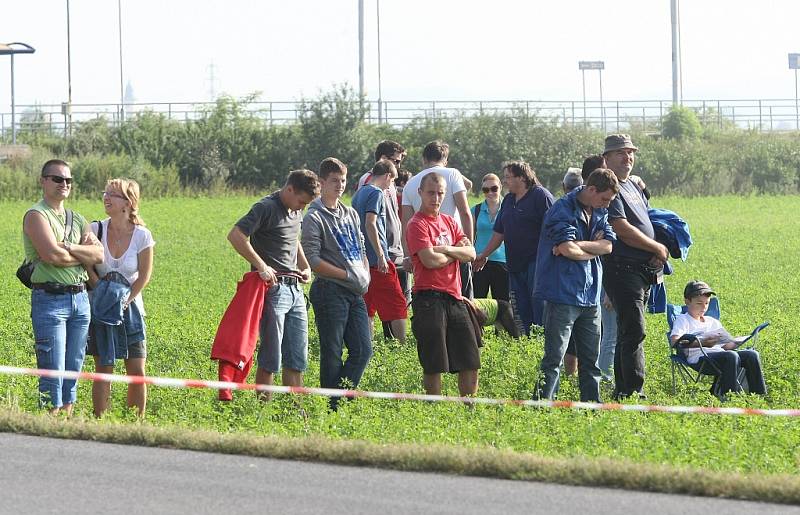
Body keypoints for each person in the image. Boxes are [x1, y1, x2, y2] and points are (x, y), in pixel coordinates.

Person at [227, 169, 318, 400]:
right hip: (273, 290)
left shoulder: (295, 211)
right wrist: (261, 266)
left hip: (296, 290)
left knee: (297, 357)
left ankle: (293, 410)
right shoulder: (265, 207)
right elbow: (236, 235)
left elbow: (293, 238)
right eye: (301, 201)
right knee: (271, 356)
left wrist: (305, 266)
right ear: (289, 189)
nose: (302, 207)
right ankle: (263, 411)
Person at [22, 159, 103, 414]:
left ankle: (65, 425)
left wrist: (68, 247)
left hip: (80, 301)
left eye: (68, 180)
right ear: (43, 181)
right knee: (52, 368)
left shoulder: (77, 218)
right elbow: (51, 256)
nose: (64, 184)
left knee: (73, 368)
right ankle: (48, 424)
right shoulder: (36, 216)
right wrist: (81, 253)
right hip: (50, 300)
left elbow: (99, 256)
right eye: (57, 179)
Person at [534, 169, 619, 402]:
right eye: (604, 199)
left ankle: (591, 405)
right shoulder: (561, 210)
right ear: (591, 189)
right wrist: (592, 247)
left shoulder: (600, 210)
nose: (606, 205)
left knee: (591, 360)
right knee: (554, 358)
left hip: (591, 294)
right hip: (562, 292)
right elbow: (567, 250)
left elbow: (608, 246)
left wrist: (582, 247)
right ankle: (542, 405)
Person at [601, 134, 669, 400]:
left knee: (629, 330)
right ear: (606, 158)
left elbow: (647, 221)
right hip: (622, 268)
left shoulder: (633, 185)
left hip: (643, 268)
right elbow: (622, 229)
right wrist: (654, 248)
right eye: (620, 153)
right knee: (634, 329)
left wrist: (657, 250)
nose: (627, 157)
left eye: (630, 152)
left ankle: (622, 389)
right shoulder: (611, 186)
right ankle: (632, 391)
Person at [302, 158, 372, 409]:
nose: (340, 185)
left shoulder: (351, 213)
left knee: (363, 350)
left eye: (343, 180)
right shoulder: (314, 218)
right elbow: (312, 260)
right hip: (330, 290)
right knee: (332, 352)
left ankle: (339, 400)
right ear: (321, 183)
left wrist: (364, 272)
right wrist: (346, 275)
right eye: (334, 181)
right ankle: (333, 408)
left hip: (355, 292)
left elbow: (362, 247)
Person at [406, 173, 480, 396]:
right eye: (430, 193)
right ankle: (435, 410)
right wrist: (456, 253)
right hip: (428, 299)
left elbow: (471, 252)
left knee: (470, 359)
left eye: (440, 193)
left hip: (456, 297)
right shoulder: (416, 224)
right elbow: (429, 261)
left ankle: (469, 410)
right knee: (434, 361)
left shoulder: (449, 221)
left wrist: (445, 250)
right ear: (420, 193)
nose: (435, 198)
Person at [86, 178, 155, 417]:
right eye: (105, 193)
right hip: (101, 309)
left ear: (128, 202)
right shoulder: (95, 230)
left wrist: (124, 302)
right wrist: (102, 292)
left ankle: (134, 424)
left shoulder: (142, 235)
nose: (106, 197)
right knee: (103, 368)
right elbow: (87, 266)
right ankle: (100, 421)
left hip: (132, 310)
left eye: (113, 194)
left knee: (136, 370)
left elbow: (144, 276)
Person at [474, 161, 554, 335]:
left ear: (522, 177)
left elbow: (553, 229)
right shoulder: (509, 200)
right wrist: (484, 255)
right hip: (514, 264)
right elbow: (499, 232)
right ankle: (525, 342)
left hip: (537, 263)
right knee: (520, 307)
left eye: (508, 177)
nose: (505, 181)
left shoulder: (541, 196)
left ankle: (541, 341)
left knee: (538, 306)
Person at [401, 140, 475, 299]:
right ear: (445, 160)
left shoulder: (410, 184)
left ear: (423, 159)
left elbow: (405, 223)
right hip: (454, 246)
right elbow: (465, 212)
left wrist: (408, 256)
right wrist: (466, 248)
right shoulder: (453, 174)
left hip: (423, 250)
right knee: (465, 305)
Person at [670, 280, 767, 398]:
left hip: (720, 355)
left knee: (752, 354)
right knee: (731, 356)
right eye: (699, 303)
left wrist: (737, 342)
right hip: (701, 359)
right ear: (687, 302)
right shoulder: (683, 320)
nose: (703, 307)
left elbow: (726, 347)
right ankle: (728, 397)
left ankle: (758, 396)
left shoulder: (712, 321)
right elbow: (675, 342)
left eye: (706, 303)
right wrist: (703, 342)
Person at [357, 141, 410, 338]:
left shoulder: (364, 191)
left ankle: (367, 344)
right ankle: (401, 346)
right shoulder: (373, 188)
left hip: (373, 255)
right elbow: (370, 223)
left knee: (369, 304)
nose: (398, 165)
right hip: (378, 256)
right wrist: (380, 254)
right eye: (395, 162)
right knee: (396, 302)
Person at [561, 167, 584, 376]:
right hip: (570, 282)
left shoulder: (561, 208)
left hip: (571, 283)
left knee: (567, 336)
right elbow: (566, 247)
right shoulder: (571, 211)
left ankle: (570, 376)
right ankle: (571, 377)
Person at [471, 173, 508, 302]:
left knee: (503, 304)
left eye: (494, 188)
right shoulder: (476, 210)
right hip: (478, 261)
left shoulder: (509, 208)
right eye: (486, 190)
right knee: (477, 303)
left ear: (500, 187)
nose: (490, 193)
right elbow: (469, 237)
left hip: (503, 260)